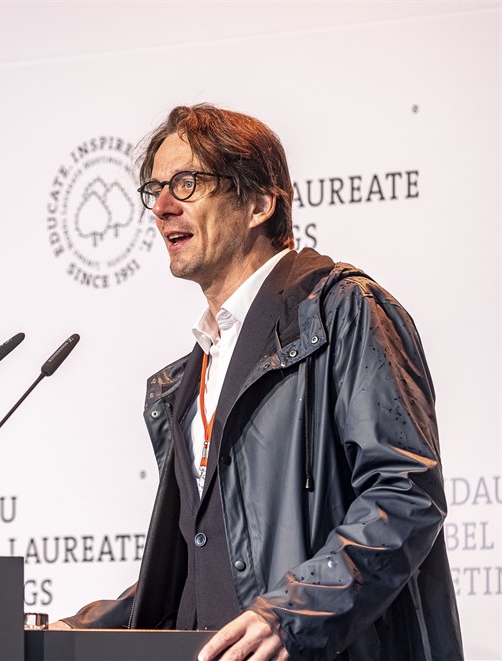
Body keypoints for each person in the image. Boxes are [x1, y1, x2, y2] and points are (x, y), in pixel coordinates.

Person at [56, 105, 463, 660]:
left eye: (187, 182)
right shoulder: (188, 376)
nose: (162, 206)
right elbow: (198, 571)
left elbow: (404, 493)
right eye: (155, 188)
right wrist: (79, 632)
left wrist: (292, 616)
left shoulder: (343, 311)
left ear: (259, 203)